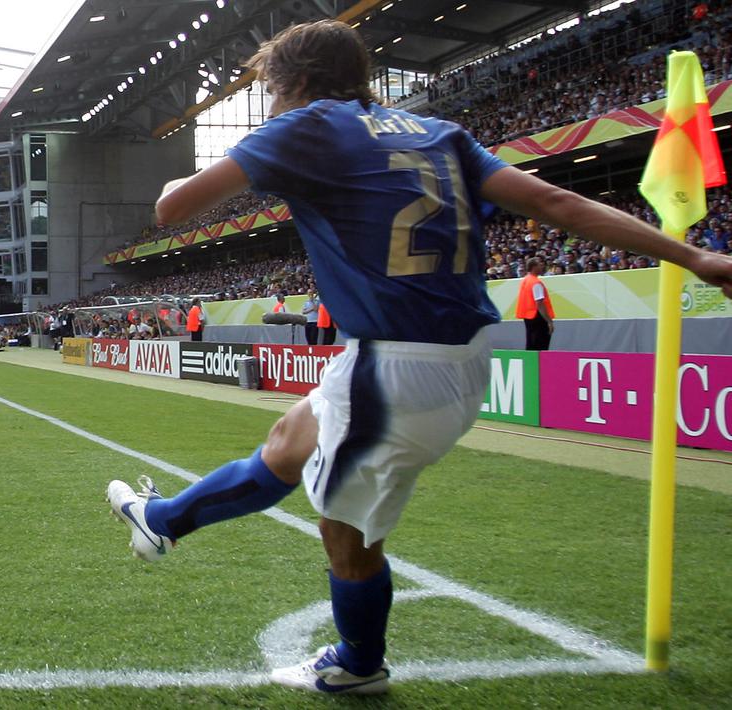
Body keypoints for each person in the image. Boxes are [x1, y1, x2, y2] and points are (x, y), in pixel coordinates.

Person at [105, 19, 732, 697]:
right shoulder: (440, 134)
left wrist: (175, 173)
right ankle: (162, 523)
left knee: (345, 530)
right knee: (289, 440)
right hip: (454, 357)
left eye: (272, 88)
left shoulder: (308, 124)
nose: (274, 102)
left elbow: (172, 208)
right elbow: (554, 202)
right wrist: (693, 255)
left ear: (301, 83)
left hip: (395, 366)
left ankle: (356, 663)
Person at [516, 257, 554, 350]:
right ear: (534, 267)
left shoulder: (525, 280)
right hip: (538, 316)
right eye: (540, 265)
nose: (542, 266)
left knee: (531, 343)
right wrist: (549, 321)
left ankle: (530, 363)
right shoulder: (536, 283)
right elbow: (540, 303)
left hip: (528, 316)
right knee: (540, 344)